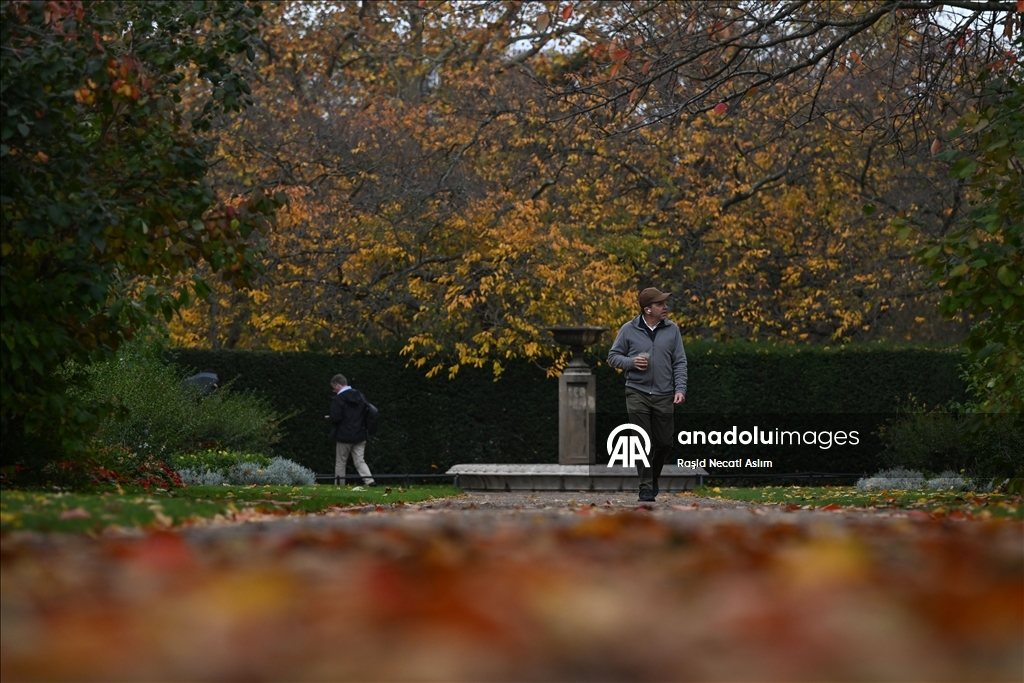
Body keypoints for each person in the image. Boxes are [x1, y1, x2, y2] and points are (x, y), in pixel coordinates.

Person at [607, 287, 688, 502]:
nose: (665, 307)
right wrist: (631, 363)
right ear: (647, 309)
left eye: (665, 303)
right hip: (636, 391)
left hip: (664, 394)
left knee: (664, 443)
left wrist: (680, 389)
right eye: (660, 304)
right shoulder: (628, 329)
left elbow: (679, 361)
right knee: (642, 441)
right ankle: (645, 488)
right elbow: (613, 356)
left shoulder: (672, 330)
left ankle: (652, 477)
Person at [326, 374, 376, 487]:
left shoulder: (338, 399)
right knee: (360, 461)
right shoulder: (360, 395)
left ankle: (339, 485)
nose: (334, 390)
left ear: (338, 385)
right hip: (360, 434)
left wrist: (330, 418)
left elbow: (336, 418)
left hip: (344, 435)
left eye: (334, 388)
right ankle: (370, 481)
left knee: (340, 462)